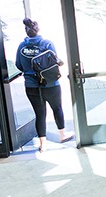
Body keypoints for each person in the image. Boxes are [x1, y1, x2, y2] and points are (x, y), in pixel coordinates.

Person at [15, 18, 72, 153]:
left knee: (40, 114)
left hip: (31, 86)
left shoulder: (21, 46)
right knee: (57, 108)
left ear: (26, 31)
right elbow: (55, 62)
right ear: (38, 30)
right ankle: (62, 134)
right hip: (50, 84)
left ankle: (43, 144)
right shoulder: (47, 44)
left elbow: (18, 65)